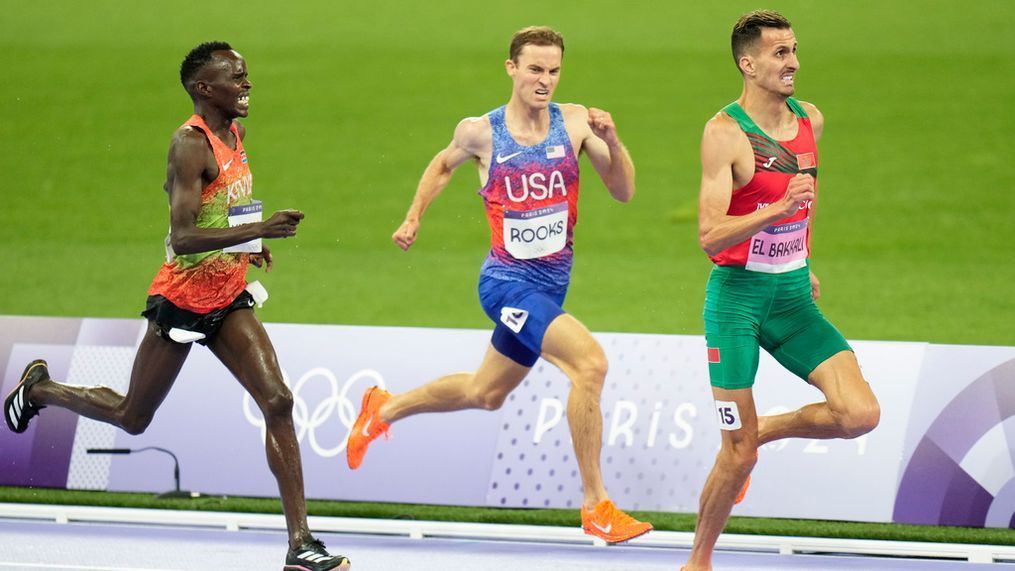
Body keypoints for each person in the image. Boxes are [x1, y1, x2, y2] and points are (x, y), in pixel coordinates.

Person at [3, 42, 350, 571]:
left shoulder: (235, 131)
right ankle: (42, 390)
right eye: (236, 78)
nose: (247, 84)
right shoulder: (189, 145)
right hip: (183, 301)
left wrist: (250, 244)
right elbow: (184, 236)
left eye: (246, 74)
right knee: (132, 416)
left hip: (228, 297)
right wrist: (263, 227)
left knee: (277, 401)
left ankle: (300, 545)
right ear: (203, 89)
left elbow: (231, 199)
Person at [346, 26, 652, 544]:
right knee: (590, 364)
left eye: (554, 71)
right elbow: (442, 166)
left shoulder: (576, 123)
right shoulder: (481, 132)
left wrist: (615, 140)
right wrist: (413, 216)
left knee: (484, 393)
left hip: (551, 288)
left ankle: (383, 408)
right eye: (535, 69)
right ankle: (596, 503)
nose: (545, 80)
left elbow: (622, 192)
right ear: (511, 68)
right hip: (507, 284)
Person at [681, 11, 881, 570]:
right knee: (736, 454)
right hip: (737, 302)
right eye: (779, 53)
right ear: (748, 63)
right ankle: (697, 561)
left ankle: (765, 429)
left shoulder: (809, 119)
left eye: (793, 50)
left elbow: (806, 200)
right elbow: (708, 234)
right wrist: (776, 210)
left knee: (859, 414)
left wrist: (801, 255)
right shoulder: (724, 133)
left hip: (792, 297)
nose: (792, 62)